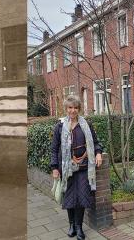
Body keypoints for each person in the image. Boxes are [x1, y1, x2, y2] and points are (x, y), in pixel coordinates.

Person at [51, 95, 103, 240]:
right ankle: (71, 225)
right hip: (66, 168)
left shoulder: (86, 125)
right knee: (69, 197)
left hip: (84, 167)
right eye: (70, 107)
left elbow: (96, 142)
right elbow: (54, 149)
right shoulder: (60, 127)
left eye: (75, 107)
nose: (73, 110)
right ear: (66, 109)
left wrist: (98, 153)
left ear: (79, 109)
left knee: (81, 197)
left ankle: (79, 227)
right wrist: (54, 167)